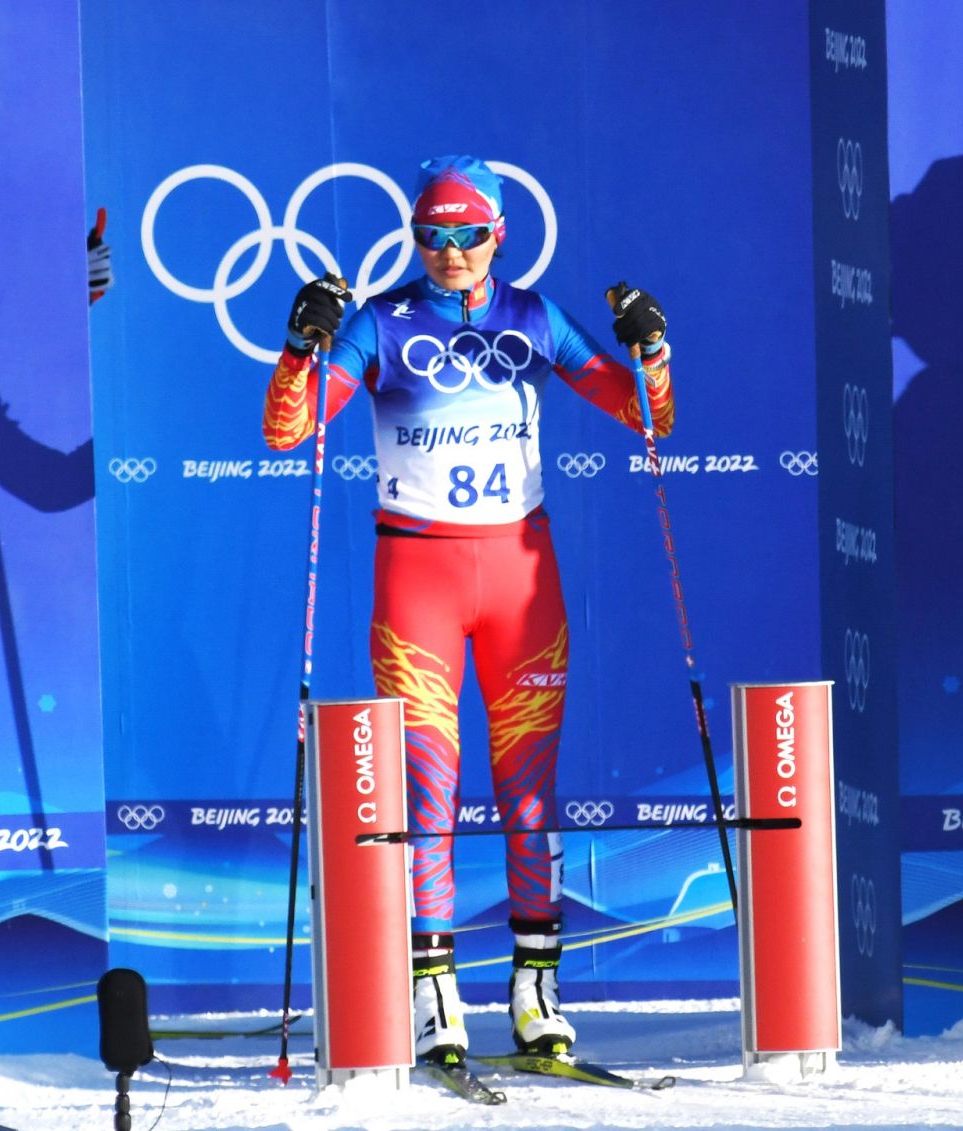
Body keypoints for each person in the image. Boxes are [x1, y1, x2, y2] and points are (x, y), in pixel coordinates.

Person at [262, 155, 673, 1067]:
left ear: (498, 235)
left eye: (468, 234)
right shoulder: (383, 322)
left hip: (522, 583)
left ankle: (536, 990)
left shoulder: (534, 316)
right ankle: (435, 995)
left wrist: (651, 350)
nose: (450, 252)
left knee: (530, 790)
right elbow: (287, 429)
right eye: (432, 236)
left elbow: (647, 416)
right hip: (420, 583)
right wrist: (302, 348)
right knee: (430, 790)